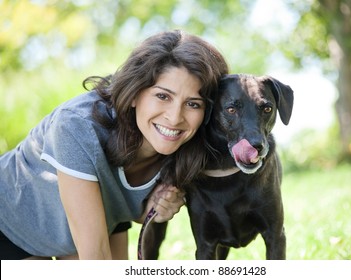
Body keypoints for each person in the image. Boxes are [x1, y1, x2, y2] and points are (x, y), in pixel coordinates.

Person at [0, 30, 229, 260]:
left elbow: (130, 207)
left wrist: (151, 208)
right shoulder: (77, 126)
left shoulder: (187, 143)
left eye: (193, 103)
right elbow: (95, 257)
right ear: (134, 94)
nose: (175, 117)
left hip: (75, 232)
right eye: (162, 96)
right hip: (8, 225)